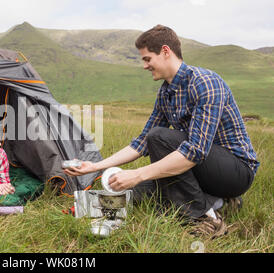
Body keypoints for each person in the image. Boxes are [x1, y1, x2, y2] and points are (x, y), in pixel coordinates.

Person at [64, 25, 259, 238]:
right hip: (202, 170)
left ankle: (205, 218)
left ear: (166, 51)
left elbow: (195, 151)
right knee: (140, 191)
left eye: (147, 59)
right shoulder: (166, 92)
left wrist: (137, 174)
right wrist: (95, 166)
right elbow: (141, 143)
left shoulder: (205, 83)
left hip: (236, 171)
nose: (144, 66)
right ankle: (219, 202)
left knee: (159, 137)